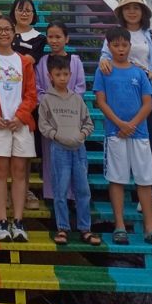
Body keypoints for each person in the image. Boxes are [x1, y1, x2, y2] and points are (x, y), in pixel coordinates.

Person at [98, 0, 152, 216]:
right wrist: (104, 62)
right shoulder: (114, 36)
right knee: (131, 147)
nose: (132, 11)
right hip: (124, 100)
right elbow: (105, 57)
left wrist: (150, 74)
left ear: (143, 12)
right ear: (121, 12)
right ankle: (141, 193)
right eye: (127, 8)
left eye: (136, 7)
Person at [94, 27, 152, 247]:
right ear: (108, 47)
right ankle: (119, 226)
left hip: (140, 134)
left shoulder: (139, 72)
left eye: (124, 45)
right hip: (114, 133)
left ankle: (150, 228)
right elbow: (100, 101)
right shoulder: (104, 71)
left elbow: (148, 103)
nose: (120, 49)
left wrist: (133, 124)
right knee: (117, 179)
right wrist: (120, 124)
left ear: (130, 46)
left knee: (145, 181)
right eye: (115, 45)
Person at [0, 13, 38, 242]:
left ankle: (19, 221)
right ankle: (2, 220)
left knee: (20, 173)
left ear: (14, 32)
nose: (3, 32)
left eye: (7, 29)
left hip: (21, 124)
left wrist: (21, 116)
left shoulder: (24, 61)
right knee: (0, 173)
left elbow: (31, 94)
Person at [38, 54, 100, 246]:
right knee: (60, 190)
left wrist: (82, 135)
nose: (62, 78)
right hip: (59, 150)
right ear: (51, 76)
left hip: (79, 150)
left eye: (65, 74)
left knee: (83, 190)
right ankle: (63, 228)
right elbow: (43, 125)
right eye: (58, 74)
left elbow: (88, 123)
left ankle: (85, 228)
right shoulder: (47, 99)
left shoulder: (77, 99)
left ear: (71, 74)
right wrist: (56, 135)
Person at [35, 20, 86, 200]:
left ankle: (73, 197)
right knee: (52, 158)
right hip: (50, 118)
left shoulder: (75, 61)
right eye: (50, 37)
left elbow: (80, 87)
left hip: (72, 118)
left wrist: (66, 103)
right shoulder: (42, 62)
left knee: (73, 156)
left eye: (58, 37)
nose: (54, 41)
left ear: (67, 38)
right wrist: (52, 104)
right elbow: (38, 89)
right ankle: (53, 195)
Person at [9, 0, 46, 209]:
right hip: (4, 92)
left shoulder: (39, 38)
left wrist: (9, 57)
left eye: (29, 10)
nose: (24, 13)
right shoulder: (5, 31)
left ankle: (27, 188)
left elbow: (31, 60)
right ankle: (8, 188)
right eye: (20, 9)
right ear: (13, 11)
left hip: (27, 94)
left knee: (27, 146)